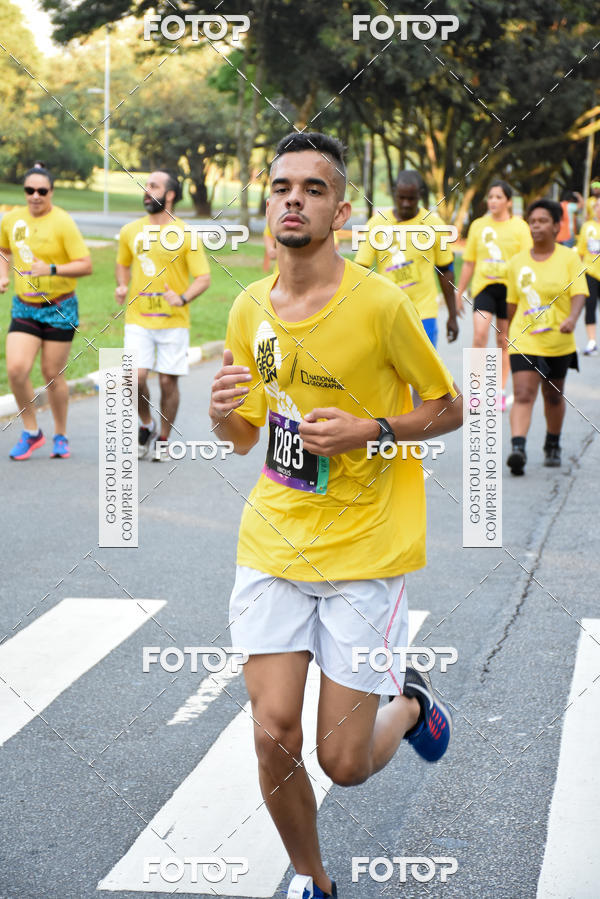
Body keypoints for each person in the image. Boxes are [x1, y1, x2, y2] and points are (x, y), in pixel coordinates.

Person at [209, 132, 463, 899]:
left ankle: (409, 702)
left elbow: (448, 407)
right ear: (269, 205)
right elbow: (246, 434)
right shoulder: (250, 307)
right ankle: (312, 880)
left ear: (340, 211)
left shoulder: (381, 304)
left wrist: (370, 430)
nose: (294, 199)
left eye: (313, 189)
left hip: (366, 548)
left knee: (343, 763)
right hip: (276, 537)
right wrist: (221, 416)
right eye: (282, 186)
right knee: (273, 729)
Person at [115, 170, 210, 460]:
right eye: (146, 185)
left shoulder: (186, 234)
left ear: (169, 194)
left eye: (153, 186)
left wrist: (182, 298)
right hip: (138, 318)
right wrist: (122, 285)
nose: (146, 190)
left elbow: (203, 278)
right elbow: (122, 263)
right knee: (133, 378)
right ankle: (146, 424)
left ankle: (165, 438)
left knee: (168, 382)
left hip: (173, 321)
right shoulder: (131, 231)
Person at [0, 163, 92, 460]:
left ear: (51, 192)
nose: (35, 196)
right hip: (25, 306)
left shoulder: (63, 222)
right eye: (30, 190)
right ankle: (31, 432)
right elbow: (4, 250)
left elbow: (86, 265)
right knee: (16, 369)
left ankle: (61, 434)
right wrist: (3, 275)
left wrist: (51, 269)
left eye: (42, 190)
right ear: (24, 191)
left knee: (52, 374)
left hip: (59, 308)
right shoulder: (12, 219)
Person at [505, 198, 587, 475]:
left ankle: (552, 443)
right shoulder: (516, 263)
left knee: (553, 395)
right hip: (524, 338)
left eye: (542, 221)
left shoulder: (569, 258)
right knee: (523, 393)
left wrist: (572, 318)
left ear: (556, 226)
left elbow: (579, 293)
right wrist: (507, 334)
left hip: (557, 341)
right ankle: (518, 449)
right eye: (532, 221)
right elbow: (512, 304)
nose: (536, 226)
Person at [355, 170, 459, 348]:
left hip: (424, 313)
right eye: (401, 197)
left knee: (423, 364)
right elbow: (360, 271)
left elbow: (445, 271)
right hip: (387, 312)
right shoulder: (376, 224)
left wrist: (453, 316)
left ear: (420, 195)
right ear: (394, 192)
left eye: (411, 199)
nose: (405, 203)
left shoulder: (434, 225)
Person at [456, 180, 532, 411]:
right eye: (490, 197)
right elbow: (469, 262)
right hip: (485, 287)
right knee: (480, 334)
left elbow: (527, 262)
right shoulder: (478, 225)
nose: (493, 201)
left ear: (508, 201)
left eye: (499, 197)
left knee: (503, 340)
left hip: (510, 291)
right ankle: (476, 391)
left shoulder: (520, 227)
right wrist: (459, 292)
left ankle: (499, 390)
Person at [576, 196, 600, 356]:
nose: (599, 208)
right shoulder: (587, 227)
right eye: (597, 205)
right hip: (590, 271)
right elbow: (580, 251)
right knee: (590, 305)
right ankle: (592, 341)